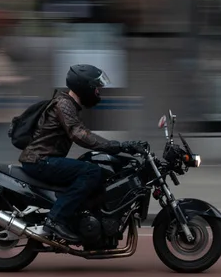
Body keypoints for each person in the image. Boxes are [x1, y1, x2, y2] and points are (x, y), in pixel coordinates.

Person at [19, 64, 144, 243]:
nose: (99, 92)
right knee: (91, 172)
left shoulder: (68, 105)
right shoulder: (64, 104)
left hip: (44, 159)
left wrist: (121, 146)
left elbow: (82, 133)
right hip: (40, 161)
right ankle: (55, 220)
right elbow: (80, 134)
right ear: (84, 87)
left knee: (93, 169)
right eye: (96, 88)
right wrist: (118, 146)